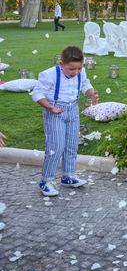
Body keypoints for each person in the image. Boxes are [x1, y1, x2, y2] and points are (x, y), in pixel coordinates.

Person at [32, 46, 99, 196]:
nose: (75, 72)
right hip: (54, 111)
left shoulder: (81, 72)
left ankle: (68, 176)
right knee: (56, 146)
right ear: (61, 64)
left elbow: (85, 84)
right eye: (71, 69)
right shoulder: (49, 74)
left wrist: (91, 93)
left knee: (71, 144)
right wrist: (50, 107)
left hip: (73, 110)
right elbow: (37, 94)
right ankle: (46, 180)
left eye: (79, 68)